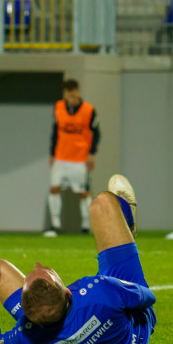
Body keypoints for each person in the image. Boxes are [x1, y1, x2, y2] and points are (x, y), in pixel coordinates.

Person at [0, 174, 156, 344]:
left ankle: (42, 313)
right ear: (68, 293)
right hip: (132, 329)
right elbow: (147, 298)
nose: (37, 264)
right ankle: (126, 224)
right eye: (47, 270)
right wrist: (118, 294)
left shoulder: (21, 342)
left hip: (52, 331)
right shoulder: (100, 291)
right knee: (104, 204)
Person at [45, 78, 100, 236]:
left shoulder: (89, 110)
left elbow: (96, 134)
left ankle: (85, 224)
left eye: (73, 91)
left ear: (78, 91)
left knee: (83, 192)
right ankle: (55, 223)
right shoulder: (58, 108)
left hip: (80, 159)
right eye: (68, 92)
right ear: (64, 93)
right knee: (54, 188)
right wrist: (52, 153)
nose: (71, 95)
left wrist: (92, 153)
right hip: (61, 157)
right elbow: (55, 132)